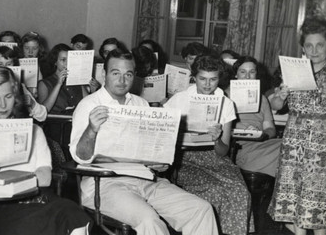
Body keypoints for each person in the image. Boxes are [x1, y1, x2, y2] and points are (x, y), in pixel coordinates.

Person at [69, 50, 218, 235]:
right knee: (149, 221)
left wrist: (161, 163)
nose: (122, 80)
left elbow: (155, 155)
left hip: (145, 179)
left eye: (128, 74)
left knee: (200, 209)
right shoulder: (89, 105)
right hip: (104, 184)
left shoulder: (141, 105)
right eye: (116, 73)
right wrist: (91, 129)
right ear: (104, 74)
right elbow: (80, 157)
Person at [0, 67, 92, 235]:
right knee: (29, 226)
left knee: (74, 214)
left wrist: (16, 183)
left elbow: (44, 177)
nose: (2, 105)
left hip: (38, 196)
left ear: (16, 96)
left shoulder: (34, 130)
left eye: (8, 96)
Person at [164, 55, 252, 235]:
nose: (207, 85)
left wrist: (216, 139)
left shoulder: (226, 103)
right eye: (202, 79)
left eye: (213, 79)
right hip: (184, 160)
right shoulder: (179, 99)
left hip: (215, 159)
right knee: (214, 191)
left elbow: (223, 151)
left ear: (219, 79)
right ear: (193, 77)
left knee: (241, 192)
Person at [268, 16, 326, 235]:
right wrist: (280, 96)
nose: (314, 51)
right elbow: (275, 106)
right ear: (303, 47)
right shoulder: (293, 70)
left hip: (323, 148)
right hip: (295, 146)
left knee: (319, 202)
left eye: (320, 45)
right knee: (294, 201)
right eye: (309, 45)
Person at [227, 56, 281, 177]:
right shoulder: (225, 96)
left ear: (256, 74)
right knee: (287, 150)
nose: (247, 77)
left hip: (261, 143)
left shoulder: (262, 99)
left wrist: (262, 134)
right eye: (243, 72)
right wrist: (243, 133)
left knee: (290, 145)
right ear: (236, 75)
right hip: (239, 148)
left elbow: (270, 129)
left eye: (252, 72)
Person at [0, 46, 47, 122]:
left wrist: (32, 103)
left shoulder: (20, 86)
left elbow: (42, 116)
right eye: (0, 64)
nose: (5, 68)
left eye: (9, 64)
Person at [37, 44, 89, 114]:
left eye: (70, 59)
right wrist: (58, 84)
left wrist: (81, 81)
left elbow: (88, 104)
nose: (67, 63)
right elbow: (43, 111)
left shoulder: (76, 82)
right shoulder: (44, 83)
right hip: (56, 122)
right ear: (55, 62)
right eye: (63, 60)